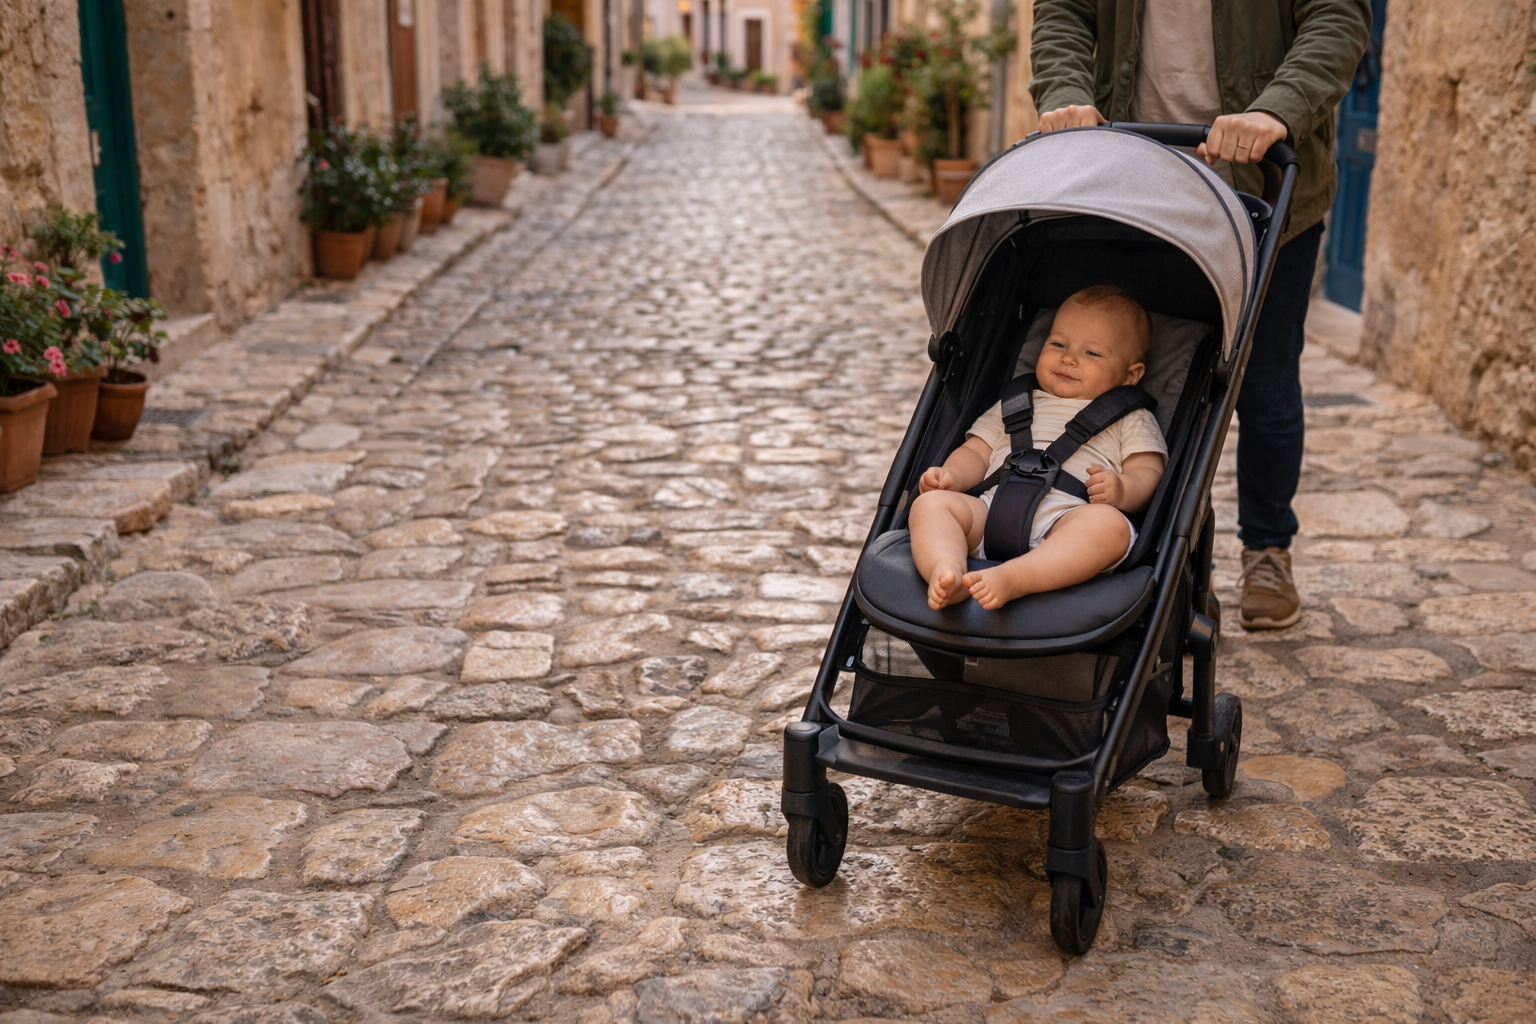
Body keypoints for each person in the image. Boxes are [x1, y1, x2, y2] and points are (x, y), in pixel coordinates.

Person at [1029, 0, 1371, 628]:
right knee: (1148, 378)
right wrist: (1066, 91)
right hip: (1135, 178)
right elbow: (1064, 11)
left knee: (1264, 385)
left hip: (1264, 185)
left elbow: (1336, 16)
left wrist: (1279, 109)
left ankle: (1267, 548)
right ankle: (1170, 553)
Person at [910, 286, 1167, 610]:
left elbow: (1149, 471)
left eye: (1092, 353)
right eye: (1058, 343)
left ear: (1131, 375)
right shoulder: (1016, 402)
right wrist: (951, 476)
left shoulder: (1130, 416)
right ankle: (947, 569)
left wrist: (1123, 489)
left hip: (1068, 518)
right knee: (930, 505)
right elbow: (977, 451)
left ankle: (1017, 577)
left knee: (1109, 527)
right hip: (992, 512)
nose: (1068, 358)